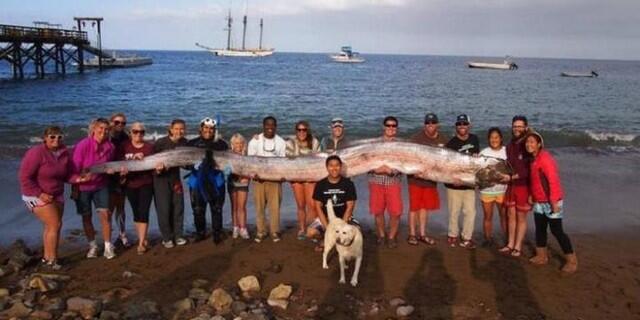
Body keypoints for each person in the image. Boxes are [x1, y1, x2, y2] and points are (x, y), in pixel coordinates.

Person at [19, 126, 71, 269]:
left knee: (51, 226)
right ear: (45, 138)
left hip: (56, 194)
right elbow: (24, 177)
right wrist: (40, 194)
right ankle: (53, 261)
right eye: (52, 137)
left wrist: (81, 178)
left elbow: (67, 175)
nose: (56, 140)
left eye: (59, 137)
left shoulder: (64, 153)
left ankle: (47, 258)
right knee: (55, 224)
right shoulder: (36, 153)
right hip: (35, 194)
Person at [525, 131, 577, 273]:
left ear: (539, 144)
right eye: (527, 142)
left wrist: (553, 201)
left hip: (552, 201)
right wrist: (531, 195)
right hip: (539, 201)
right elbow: (534, 181)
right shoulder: (533, 159)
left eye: (532, 142)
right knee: (540, 229)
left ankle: (572, 260)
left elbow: (553, 181)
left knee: (557, 231)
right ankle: (541, 256)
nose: (528, 144)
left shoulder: (545, 159)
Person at [70, 118, 117, 259]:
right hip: (83, 187)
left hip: (101, 185)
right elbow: (74, 169)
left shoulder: (111, 147)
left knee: (105, 215)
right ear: (93, 129)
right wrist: (77, 182)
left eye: (106, 129)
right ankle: (93, 246)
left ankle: (108, 247)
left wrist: (110, 171)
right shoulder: (83, 145)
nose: (103, 131)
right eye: (100, 128)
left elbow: (109, 165)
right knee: (86, 217)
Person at [406, 113, 448, 246]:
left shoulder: (443, 139)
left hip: (431, 179)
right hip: (415, 179)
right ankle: (412, 235)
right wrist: (415, 171)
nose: (430, 125)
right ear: (425, 125)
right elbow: (408, 156)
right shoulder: (416, 138)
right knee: (414, 208)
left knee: (424, 208)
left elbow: (447, 160)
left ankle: (422, 234)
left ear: (437, 124)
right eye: (428, 123)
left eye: (433, 123)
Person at [187, 117, 229, 244]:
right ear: (201, 129)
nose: (208, 130)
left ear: (214, 130)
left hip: (216, 180)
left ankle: (217, 232)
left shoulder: (221, 144)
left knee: (216, 208)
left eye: (211, 129)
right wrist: (191, 166)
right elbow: (183, 162)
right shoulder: (192, 143)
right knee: (198, 209)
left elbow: (228, 164)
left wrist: (225, 171)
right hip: (196, 180)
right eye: (206, 128)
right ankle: (200, 232)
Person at [247, 116, 286, 243]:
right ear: (263, 126)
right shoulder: (254, 141)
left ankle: (274, 231)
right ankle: (261, 231)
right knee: (259, 207)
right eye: (267, 125)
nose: (270, 127)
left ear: (276, 126)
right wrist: (254, 174)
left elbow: (283, 161)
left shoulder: (281, 142)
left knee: (275, 207)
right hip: (258, 180)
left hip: (275, 180)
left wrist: (282, 176)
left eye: (272, 125)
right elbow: (250, 161)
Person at [306, 155, 357, 250]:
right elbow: (318, 207)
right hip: (326, 218)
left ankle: (339, 242)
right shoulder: (320, 184)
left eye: (337, 165)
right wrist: (327, 228)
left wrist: (342, 226)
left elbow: (350, 206)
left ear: (341, 167)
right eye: (331, 165)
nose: (334, 168)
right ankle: (325, 240)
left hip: (344, 218)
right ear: (327, 167)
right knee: (310, 232)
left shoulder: (348, 184)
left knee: (357, 232)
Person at [118, 122, 154, 255]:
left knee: (144, 211)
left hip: (146, 183)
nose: (138, 134)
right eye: (135, 131)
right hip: (130, 184)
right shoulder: (124, 146)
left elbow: (154, 165)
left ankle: (141, 243)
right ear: (130, 132)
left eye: (141, 132)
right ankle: (142, 238)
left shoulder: (149, 147)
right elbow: (119, 163)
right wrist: (122, 171)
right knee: (136, 212)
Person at [445, 114, 480, 249]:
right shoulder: (451, 143)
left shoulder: (474, 139)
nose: (462, 126)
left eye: (464, 124)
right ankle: (452, 234)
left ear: (469, 126)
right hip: (454, 183)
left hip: (469, 183)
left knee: (470, 212)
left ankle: (467, 237)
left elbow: (475, 162)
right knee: (454, 211)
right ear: (456, 127)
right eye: (459, 124)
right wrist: (453, 179)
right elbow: (446, 165)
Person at [369, 116, 403, 248]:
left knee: (396, 212)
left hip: (393, 181)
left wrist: (392, 171)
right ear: (384, 127)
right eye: (388, 125)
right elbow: (365, 160)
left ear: (396, 128)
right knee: (378, 211)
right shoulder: (374, 143)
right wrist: (375, 169)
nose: (391, 128)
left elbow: (406, 162)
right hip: (375, 180)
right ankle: (382, 236)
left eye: (393, 126)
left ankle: (392, 237)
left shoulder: (401, 145)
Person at [499, 115, 531, 257]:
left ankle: (518, 246)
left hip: (523, 185)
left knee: (521, 216)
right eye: (515, 126)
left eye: (520, 126)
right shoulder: (511, 144)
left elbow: (527, 170)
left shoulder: (528, 143)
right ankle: (510, 243)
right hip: (511, 185)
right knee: (510, 214)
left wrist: (512, 177)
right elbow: (509, 165)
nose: (517, 128)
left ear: (525, 127)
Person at [153, 119, 188, 248]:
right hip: (160, 179)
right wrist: (157, 170)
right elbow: (150, 162)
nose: (179, 131)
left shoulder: (184, 143)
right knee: (164, 209)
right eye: (177, 128)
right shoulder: (160, 143)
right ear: (171, 129)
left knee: (178, 206)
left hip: (176, 178)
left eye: (182, 129)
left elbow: (188, 164)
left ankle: (178, 236)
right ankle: (167, 238)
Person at [286, 120, 321, 240]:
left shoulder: (315, 142)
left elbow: (319, 160)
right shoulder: (290, 143)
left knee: (312, 205)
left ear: (307, 130)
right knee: (300, 205)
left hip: (310, 177)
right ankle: (302, 229)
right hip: (296, 177)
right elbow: (288, 160)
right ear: (296, 131)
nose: (302, 132)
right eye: (299, 130)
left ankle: (312, 229)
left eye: (304, 130)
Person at [479, 127, 508, 247]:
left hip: (503, 190)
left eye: (496, 137)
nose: (494, 140)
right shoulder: (483, 153)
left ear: (501, 138)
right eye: (491, 137)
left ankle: (508, 239)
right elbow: (478, 172)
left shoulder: (507, 151)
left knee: (504, 216)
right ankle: (487, 238)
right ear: (488, 139)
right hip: (487, 190)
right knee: (488, 216)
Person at [109, 112, 130, 248]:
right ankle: (108, 237)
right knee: (109, 208)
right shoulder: (106, 136)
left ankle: (122, 234)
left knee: (121, 206)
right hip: (107, 174)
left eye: (123, 123)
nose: (120, 125)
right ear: (111, 122)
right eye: (117, 122)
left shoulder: (125, 137)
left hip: (121, 173)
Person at [228, 133, 250, 240]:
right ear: (232, 144)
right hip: (232, 183)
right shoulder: (228, 155)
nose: (239, 145)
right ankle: (235, 227)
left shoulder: (246, 156)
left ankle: (243, 228)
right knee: (234, 207)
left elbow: (251, 169)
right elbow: (225, 170)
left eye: (241, 143)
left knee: (242, 207)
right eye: (236, 143)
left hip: (243, 183)